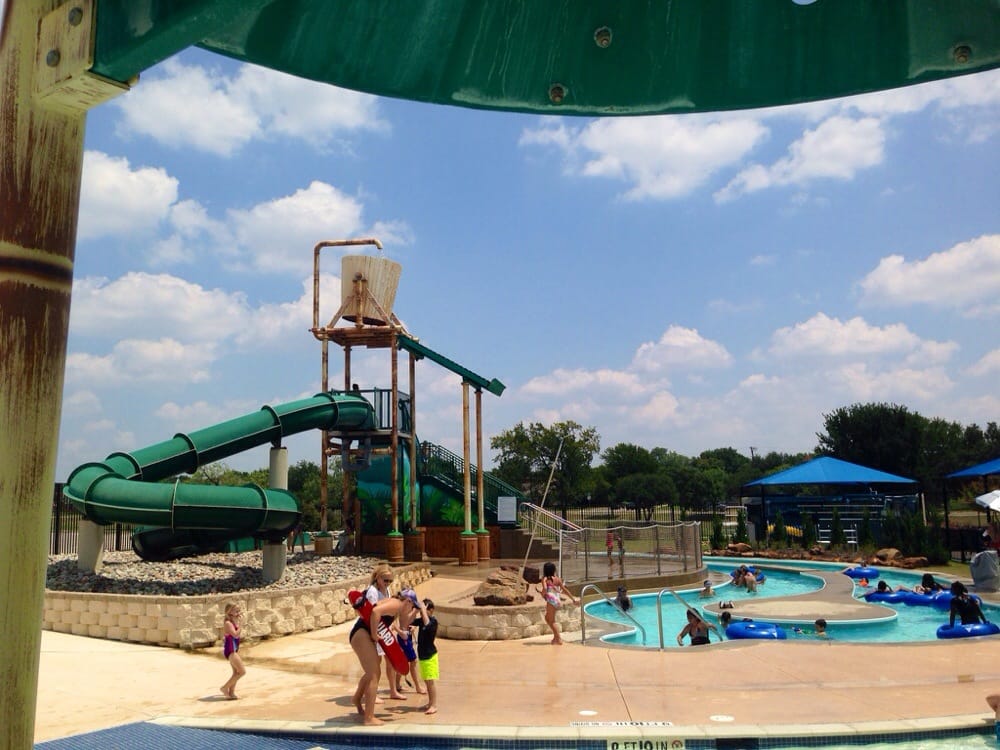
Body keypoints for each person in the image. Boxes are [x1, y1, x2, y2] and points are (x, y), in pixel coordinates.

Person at [349, 588, 425, 725]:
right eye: (412, 606)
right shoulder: (396, 604)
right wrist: (373, 633)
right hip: (362, 635)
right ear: (407, 602)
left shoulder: (396, 605)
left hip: (360, 634)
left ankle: (357, 699)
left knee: (371, 672)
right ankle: (369, 718)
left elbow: (386, 615)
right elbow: (375, 611)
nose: (411, 609)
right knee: (374, 673)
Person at [537, 561, 577, 645]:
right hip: (557, 600)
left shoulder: (545, 579)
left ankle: (558, 639)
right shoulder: (557, 579)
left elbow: (544, 589)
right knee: (548, 618)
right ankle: (555, 637)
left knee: (551, 621)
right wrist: (573, 599)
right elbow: (565, 590)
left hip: (551, 600)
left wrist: (542, 594)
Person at [415, 598, 439, 715]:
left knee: (430, 681)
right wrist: (415, 610)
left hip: (430, 656)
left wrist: (423, 610)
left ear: (431, 610)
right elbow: (408, 622)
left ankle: (434, 705)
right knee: (426, 681)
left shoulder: (433, 622)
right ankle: (430, 702)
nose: (422, 612)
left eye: (425, 610)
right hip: (422, 656)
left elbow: (427, 624)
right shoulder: (421, 620)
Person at [220, 603, 246, 700]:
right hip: (231, 651)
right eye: (236, 611)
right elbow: (235, 635)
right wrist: (241, 625)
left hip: (234, 649)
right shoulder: (228, 623)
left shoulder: (233, 621)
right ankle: (224, 688)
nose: (238, 612)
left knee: (236, 673)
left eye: (239, 610)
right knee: (242, 672)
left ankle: (231, 693)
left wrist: (238, 621)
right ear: (229, 611)